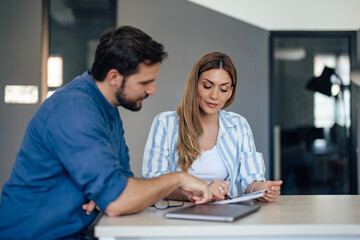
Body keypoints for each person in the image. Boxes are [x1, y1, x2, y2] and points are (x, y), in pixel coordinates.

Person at [0, 26, 219, 240]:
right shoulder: (75, 109)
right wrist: (177, 178)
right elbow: (119, 199)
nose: (152, 90)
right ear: (114, 77)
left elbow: (124, 183)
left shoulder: (107, 109)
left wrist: (112, 193)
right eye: (145, 82)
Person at [142, 52, 282, 202]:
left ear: (230, 92)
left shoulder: (238, 125)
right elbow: (154, 183)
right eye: (207, 86)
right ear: (194, 84)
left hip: (225, 215)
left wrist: (260, 190)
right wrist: (202, 191)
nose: (214, 96)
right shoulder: (165, 123)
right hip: (177, 216)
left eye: (223, 89)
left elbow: (251, 179)